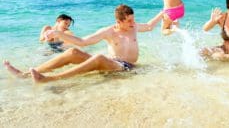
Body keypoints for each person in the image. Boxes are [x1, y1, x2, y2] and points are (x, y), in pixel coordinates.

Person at [3, 5, 163, 83]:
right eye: (129, 20)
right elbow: (83, 42)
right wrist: (58, 33)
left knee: (99, 57)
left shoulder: (134, 27)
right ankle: (23, 75)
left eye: (133, 19)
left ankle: (50, 79)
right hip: (111, 63)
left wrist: (163, 13)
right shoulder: (109, 31)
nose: (133, 22)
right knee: (73, 52)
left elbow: (149, 26)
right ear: (119, 21)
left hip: (126, 68)